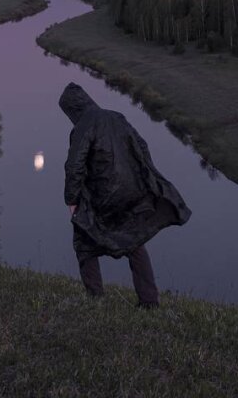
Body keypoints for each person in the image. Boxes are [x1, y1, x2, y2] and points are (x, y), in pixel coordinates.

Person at [59, 82, 191, 308]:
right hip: (129, 192)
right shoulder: (116, 117)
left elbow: (74, 166)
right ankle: (149, 301)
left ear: (73, 108)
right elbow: (141, 146)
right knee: (134, 241)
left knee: (83, 240)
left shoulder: (83, 126)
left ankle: (95, 298)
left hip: (104, 196)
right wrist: (143, 178)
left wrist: (72, 200)